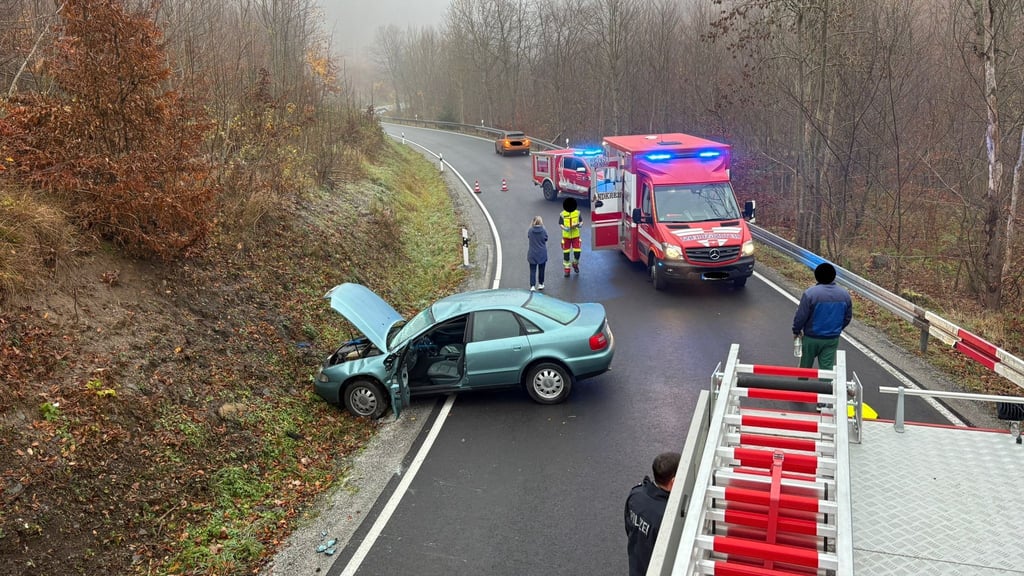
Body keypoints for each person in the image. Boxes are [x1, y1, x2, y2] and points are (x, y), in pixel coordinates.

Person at [625, 451, 680, 576]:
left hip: (636, 566)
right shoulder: (668, 515)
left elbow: (629, 527)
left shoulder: (636, 494)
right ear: (673, 482)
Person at [792, 261, 853, 373]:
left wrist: (796, 330)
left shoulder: (810, 293)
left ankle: (801, 383)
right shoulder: (844, 295)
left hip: (811, 338)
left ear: (817, 276)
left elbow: (801, 316)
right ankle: (825, 384)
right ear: (833, 276)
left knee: (804, 368)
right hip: (831, 339)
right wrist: (837, 329)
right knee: (827, 371)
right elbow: (847, 317)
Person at [560, 197, 582, 277]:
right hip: (566, 237)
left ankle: (575, 263)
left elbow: (581, 221)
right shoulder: (562, 214)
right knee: (566, 254)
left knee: (577, 253)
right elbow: (560, 224)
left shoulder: (577, 213)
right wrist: (565, 228)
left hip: (576, 236)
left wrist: (579, 225)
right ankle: (567, 270)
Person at [527, 215, 548, 291]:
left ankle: (532, 285)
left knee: (532, 270)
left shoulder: (530, 230)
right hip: (542, 253)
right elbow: (546, 238)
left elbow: (529, 237)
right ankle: (541, 284)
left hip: (532, 253)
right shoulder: (543, 230)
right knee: (541, 269)